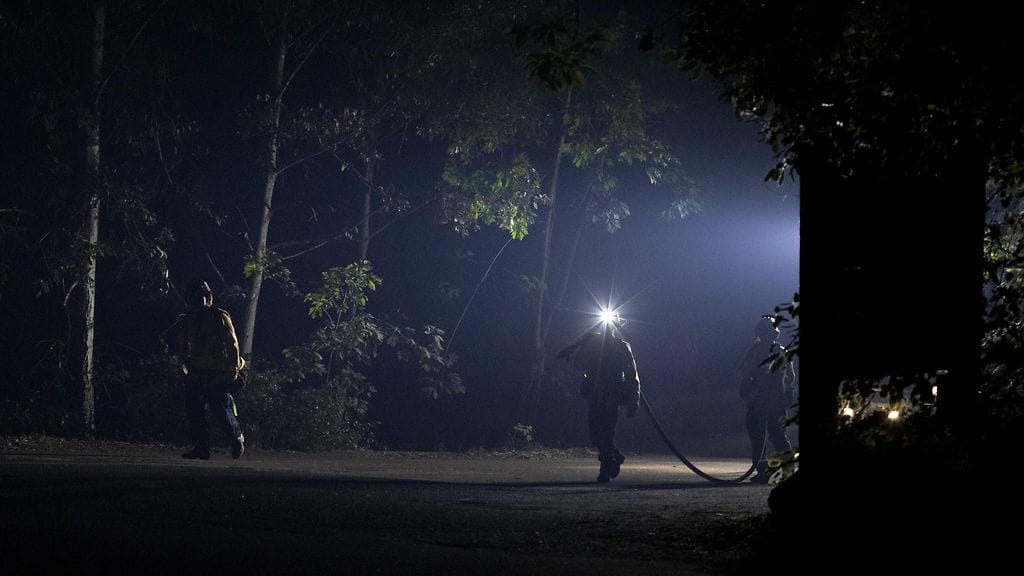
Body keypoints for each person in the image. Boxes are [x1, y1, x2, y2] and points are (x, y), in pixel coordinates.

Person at [557, 317, 641, 483]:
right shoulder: (591, 345)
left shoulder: (621, 346)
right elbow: (579, 365)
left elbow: (632, 375)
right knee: (595, 434)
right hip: (595, 393)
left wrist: (634, 399)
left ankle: (606, 466)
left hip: (612, 394)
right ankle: (614, 455)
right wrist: (586, 349)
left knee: (607, 430)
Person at [176, 278, 246, 460]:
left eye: (202, 296)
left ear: (208, 297)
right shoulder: (188, 319)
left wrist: (233, 369)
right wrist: (182, 365)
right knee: (194, 410)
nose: (199, 300)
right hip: (198, 370)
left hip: (219, 370)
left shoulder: (219, 316)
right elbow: (184, 346)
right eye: (195, 297)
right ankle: (201, 448)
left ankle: (236, 436)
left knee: (219, 408)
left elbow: (232, 344)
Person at [737, 317, 795, 483]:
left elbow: (789, 378)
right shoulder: (759, 351)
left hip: (768, 402)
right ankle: (766, 471)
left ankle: (785, 470)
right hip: (762, 401)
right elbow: (743, 372)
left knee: (774, 436)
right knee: (761, 437)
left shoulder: (768, 352)